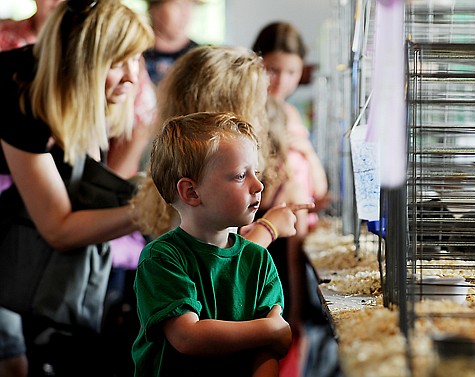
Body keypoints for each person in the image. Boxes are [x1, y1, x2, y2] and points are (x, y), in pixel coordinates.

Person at [0, 1, 153, 376]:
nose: (133, 76)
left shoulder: (78, 92)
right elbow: (58, 228)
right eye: (118, 62)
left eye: (137, 59)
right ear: (83, 60)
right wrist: (149, 210)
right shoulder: (21, 92)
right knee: (13, 361)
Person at [132, 111, 293, 376]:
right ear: (191, 192)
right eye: (241, 176)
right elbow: (187, 336)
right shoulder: (162, 258)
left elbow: (267, 351)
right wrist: (269, 329)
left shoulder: (259, 260)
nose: (259, 185)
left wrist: (271, 334)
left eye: (256, 172)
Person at [132, 45, 311, 245]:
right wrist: (268, 229)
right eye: (256, 108)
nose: (261, 120)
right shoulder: (203, 183)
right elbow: (220, 271)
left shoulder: (181, 167)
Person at [252, 21, 330, 228]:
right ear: (256, 64)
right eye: (273, 70)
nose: (282, 81)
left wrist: (308, 153)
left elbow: (319, 190)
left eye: (292, 72)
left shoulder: (292, 112)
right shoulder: (252, 113)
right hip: (271, 219)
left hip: (301, 218)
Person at [143, 0, 202, 85]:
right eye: (178, 5)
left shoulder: (199, 57)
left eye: (191, 6)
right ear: (154, 8)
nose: (185, 14)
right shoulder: (134, 53)